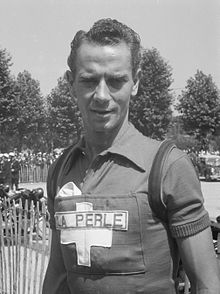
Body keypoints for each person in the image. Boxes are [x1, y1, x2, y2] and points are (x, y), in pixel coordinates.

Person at [43, 18, 220, 294]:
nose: (102, 95)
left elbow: (207, 284)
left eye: (116, 81)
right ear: (70, 84)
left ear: (135, 83)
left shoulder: (167, 167)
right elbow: (57, 277)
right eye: (89, 80)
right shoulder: (61, 169)